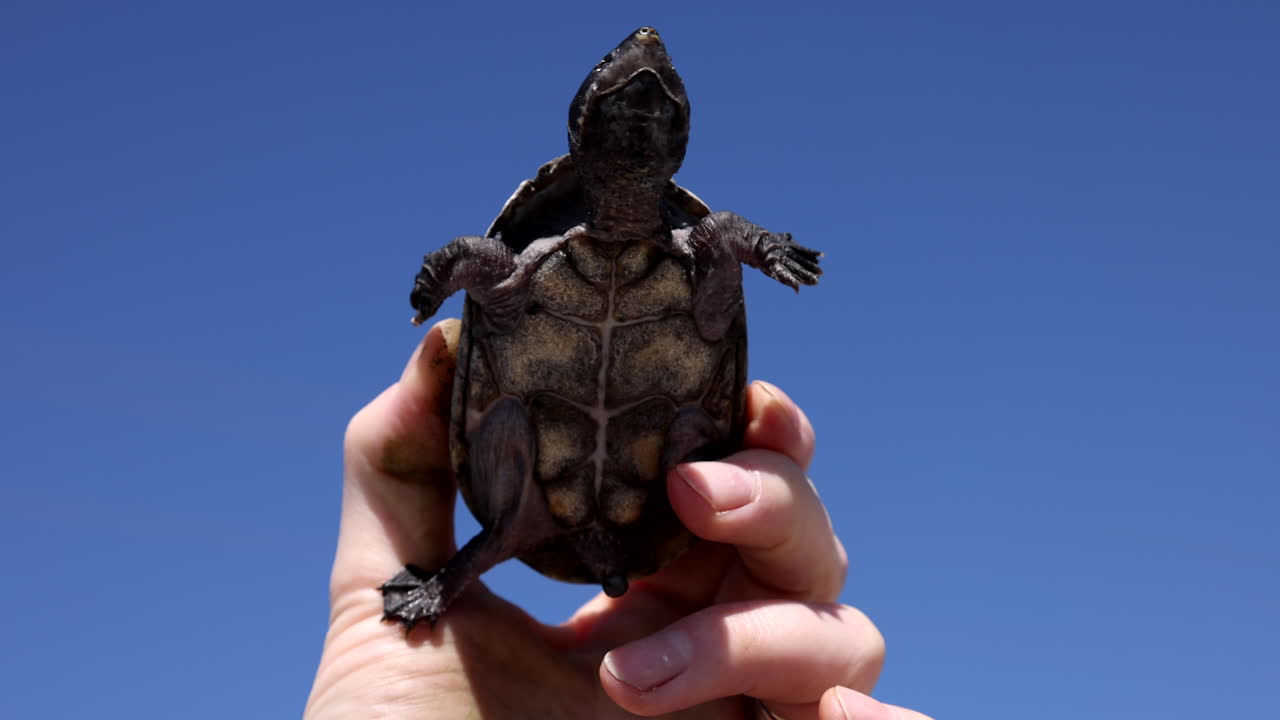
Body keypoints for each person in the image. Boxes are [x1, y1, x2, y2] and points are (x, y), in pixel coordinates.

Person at [304, 320, 935, 720]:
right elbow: (494, 270)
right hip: (563, 502)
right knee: (507, 531)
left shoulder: (693, 242)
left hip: (627, 505)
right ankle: (442, 587)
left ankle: (446, 586)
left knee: (508, 531)